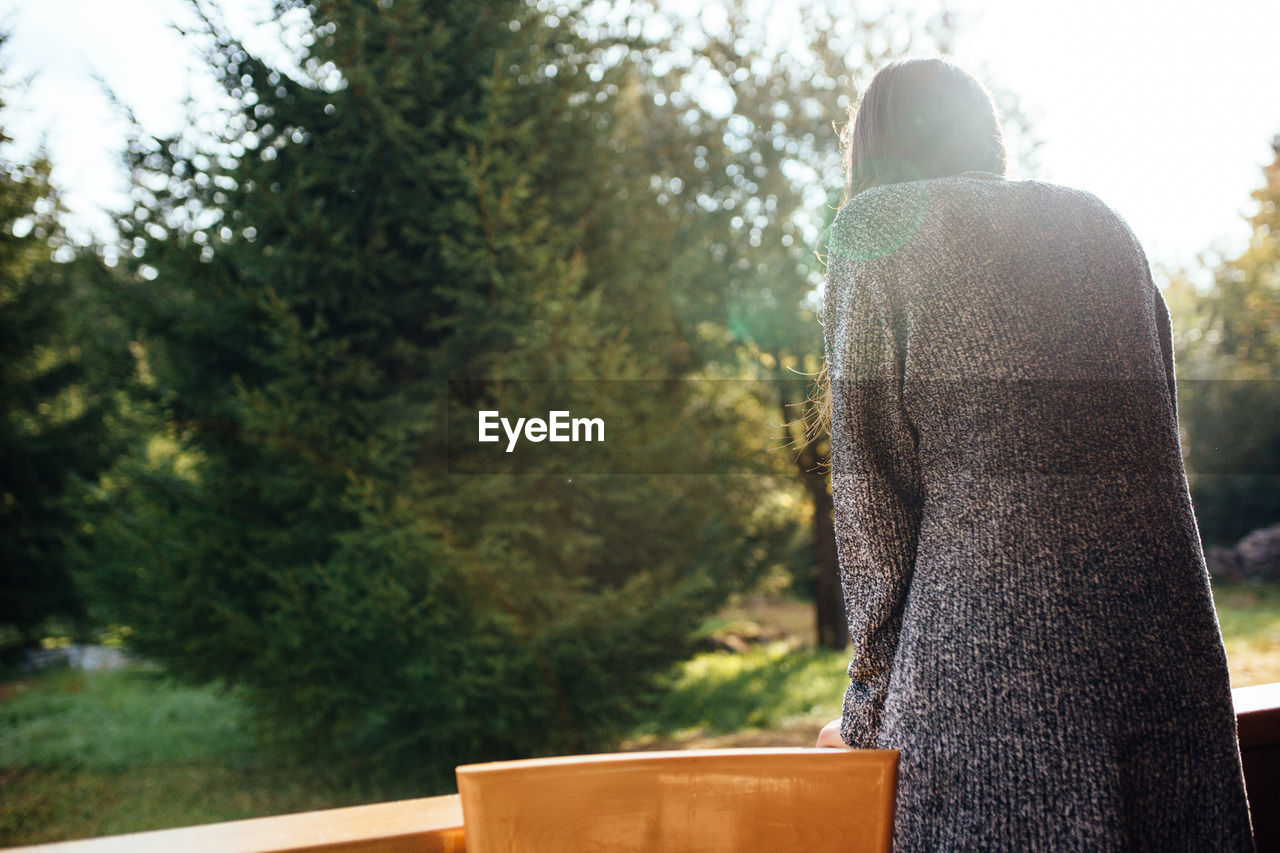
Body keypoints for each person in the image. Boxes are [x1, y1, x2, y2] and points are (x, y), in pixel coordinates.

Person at [812, 56, 1255, 851]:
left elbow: (872, 509)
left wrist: (864, 715)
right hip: (1169, 668)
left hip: (988, 689)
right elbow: (1158, 442)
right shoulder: (1103, 226)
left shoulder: (878, 233)